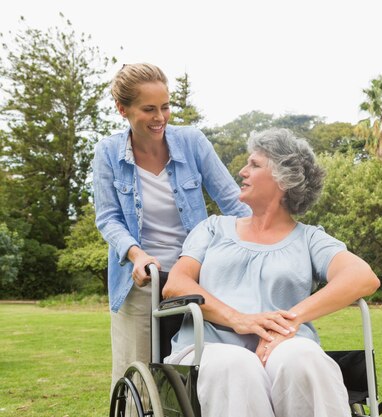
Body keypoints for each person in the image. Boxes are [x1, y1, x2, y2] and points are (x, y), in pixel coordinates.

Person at [162, 127, 381, 417]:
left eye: (254, 164)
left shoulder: (310, 239)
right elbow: (175, 284)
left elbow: (363, 276)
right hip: (208, 348)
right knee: (239, 366)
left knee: (304, 358)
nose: (242, 171)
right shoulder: (213, 229)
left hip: (283, 346)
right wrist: (240, 320)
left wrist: (289, 323)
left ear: (283, 179)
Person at [92, 63, 251, 389]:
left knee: (204, 370)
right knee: (136, 377)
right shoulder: (107, 153)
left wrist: (258, 244)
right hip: (139, 281)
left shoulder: (191, 142)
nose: (160, 117)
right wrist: (137, 255)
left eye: (165, 107)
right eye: (148, 109)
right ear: (123, 109)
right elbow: (108, 218)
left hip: (197, 276)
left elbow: (234, 203)